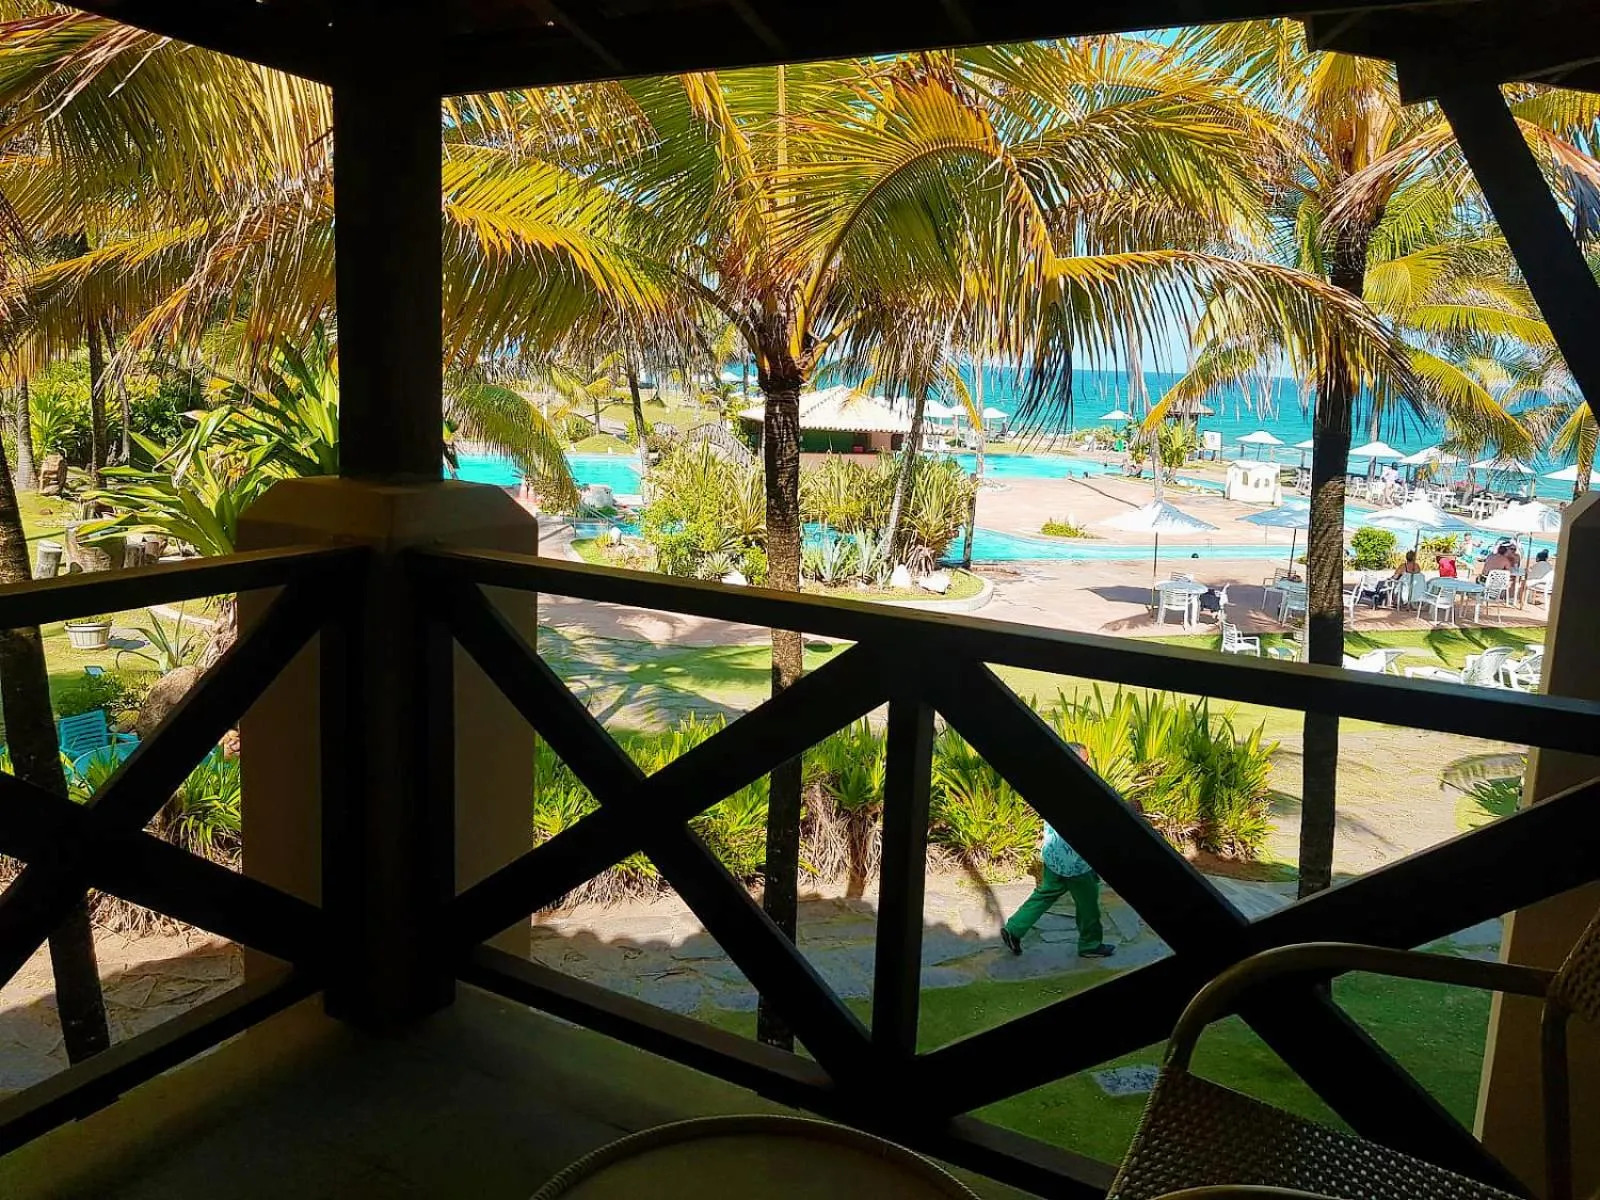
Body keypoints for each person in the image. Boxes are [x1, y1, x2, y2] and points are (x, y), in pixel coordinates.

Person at [1000, 743, 1116, 959]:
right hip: (1076, 861)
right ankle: (1090, 945)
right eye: (1085, 762)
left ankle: (1014, 929)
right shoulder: (1081, 789)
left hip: (1054, 855)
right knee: (1088, 904)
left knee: (1045, 893)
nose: (1088, 766)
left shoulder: (1052, 782)